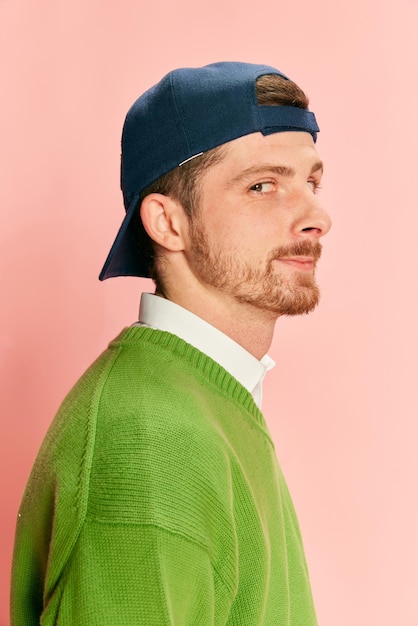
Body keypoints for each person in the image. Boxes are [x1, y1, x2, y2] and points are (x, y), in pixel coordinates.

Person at [11, 62, 331, 625]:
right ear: (168, 223)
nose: (316, 216)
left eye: (311, 182)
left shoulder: (209, 398)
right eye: (263, 186)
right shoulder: (149, 437)